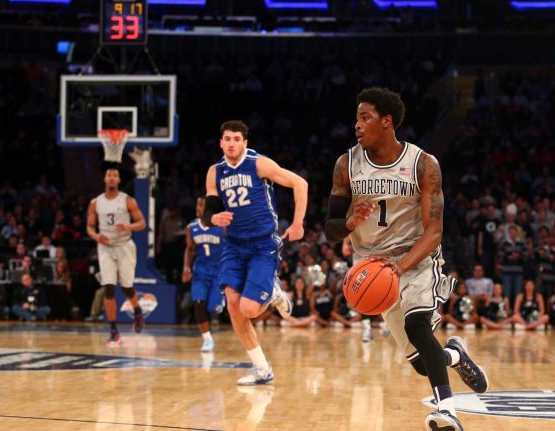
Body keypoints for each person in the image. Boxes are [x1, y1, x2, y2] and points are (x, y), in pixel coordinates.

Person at [323, 87, 487, 431]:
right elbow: (330, 228)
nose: (357, 125)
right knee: (422, 363)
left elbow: (434, 231)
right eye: (356, 118)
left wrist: (401, 266)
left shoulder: (423, 164)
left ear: (387, 122)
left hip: (416, 257)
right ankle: (455, 354)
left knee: (417, 325)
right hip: (373, 265)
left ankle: (447, 412)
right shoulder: (346, 165)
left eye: (365, 117)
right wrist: (350, 223)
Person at [203, 120, 307, 385]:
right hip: (234, 245)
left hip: (262, 244)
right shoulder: (215, 172)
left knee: (249, 309)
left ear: (245, 143)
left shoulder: (258, 163)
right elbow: (209, 209)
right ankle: (262, 369)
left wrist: (297, 223)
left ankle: (275, 292)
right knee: (233, 306)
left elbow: (300, 183)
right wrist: (213, 218)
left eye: (237, 139)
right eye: (227, 139)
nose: (231, 143)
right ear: (221, 143)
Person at [86, 167, 147, 346]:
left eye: (115, 175)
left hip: (124, 245)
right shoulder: (95, 202)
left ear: (119, 180)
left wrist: (128, 227)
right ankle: (113, 330)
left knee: (127, 287)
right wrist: (96, 236)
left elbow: (142, 223)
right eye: (109, 175)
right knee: (109, 287)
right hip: (105, 247)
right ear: (105, 179)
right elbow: (89, 226)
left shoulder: (127, 200)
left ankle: (137, 311)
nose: (112, 178)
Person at [182, 197, 226, 352]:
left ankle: (221, 300)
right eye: (197, 204)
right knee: (198, 303)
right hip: (201, 271)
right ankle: (207, 339)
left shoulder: (222, 227)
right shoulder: (191, 227)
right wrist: (186, 267)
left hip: (219, 271)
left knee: (214, 307)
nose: (197, 208)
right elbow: (190, 249)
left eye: (201, 205)